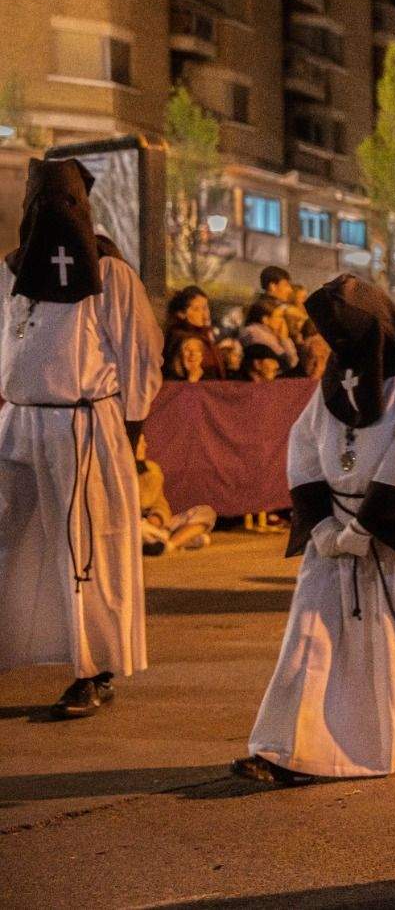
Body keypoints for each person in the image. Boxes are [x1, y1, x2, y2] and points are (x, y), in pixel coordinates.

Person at [234, 274, 395, 786]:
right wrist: (320, 522)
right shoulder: (335, 382)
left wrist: (368, 526)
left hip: (385, 528)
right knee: (309, 634)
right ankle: (284, 748)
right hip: (334, 530)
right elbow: (303, 444)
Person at [0, 158, 162, 719]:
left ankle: (94, 670)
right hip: (19, 422)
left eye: (62, 204)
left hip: (84, 425)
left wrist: (128, 433)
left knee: (84, 547)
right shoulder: (11, 272)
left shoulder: (110, 275)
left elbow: (141, 353)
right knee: (8, 539)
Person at [136, 435, 215, 557]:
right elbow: (142, 502)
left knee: (206, 512)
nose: (145, 446)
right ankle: (177, 540)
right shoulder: (120, 472)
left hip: (159, 526)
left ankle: (168, 545)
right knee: (139, 529)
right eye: (140, 443)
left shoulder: (152, 468)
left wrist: (158, 517)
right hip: (138, 524)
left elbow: (161, 503)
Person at [163, 285, 224, 380]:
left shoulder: (205, 335)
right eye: (197, 309)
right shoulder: (187, 340)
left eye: (206, 308)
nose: (205, 314)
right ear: (181, 314)